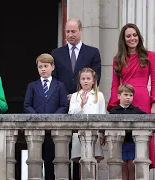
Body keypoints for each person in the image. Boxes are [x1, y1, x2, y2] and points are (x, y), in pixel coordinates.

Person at [107, 23, 155, 169]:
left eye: (134, 35)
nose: (132, 38)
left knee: (142, 142)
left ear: (139, 36)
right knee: (125, 144)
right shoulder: (117, 59)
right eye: (128, 36)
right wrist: (114, 106)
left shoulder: (149, 55)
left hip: (143, 101)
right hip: (124, 102)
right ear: (123, 39)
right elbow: (115, 85)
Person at [51, 17, 102, 180]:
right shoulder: (56, 53)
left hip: (87, 103)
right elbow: (55, 78)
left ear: (80, 30)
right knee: (65, 148)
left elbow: (96, 77)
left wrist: (80, 94)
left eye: (73, 31)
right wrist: (65, 97)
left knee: (86, 147)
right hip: (63, 105)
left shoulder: (92, 52)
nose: (70, 35)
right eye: (67, 32)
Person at [23, 53, 68, 180]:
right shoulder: (32, 86)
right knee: (35, 159)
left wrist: (52, 119)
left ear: (52, 67)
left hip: (53, 130)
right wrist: (37, 118)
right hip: (36, 129)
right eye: (40, 67)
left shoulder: (60, 86)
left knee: (51, 159)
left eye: (46, 66)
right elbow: (27, 104)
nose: (43, 69)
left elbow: (64, 105)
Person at [68, 68, 105, 179]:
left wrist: (102, 132)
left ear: (93, 81)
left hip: (95, 133)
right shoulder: (75, 96)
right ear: (79, 81)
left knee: (93, 161)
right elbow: (71, 114)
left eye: (88, 78)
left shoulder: (99, 95)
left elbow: (102, 114)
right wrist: (81, 105)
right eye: (83, 78)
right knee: (80, 161)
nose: (85, 81)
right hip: (78, 134)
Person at [110, 84, 146, 180]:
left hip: (132, 143)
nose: (128, 97)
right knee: (122, 167)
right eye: (125, 95)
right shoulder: (114, 111)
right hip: (119, 144)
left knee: (132, 166)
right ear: (119, 96)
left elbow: (147, 120)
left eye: (131, 95)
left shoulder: (136, 110)